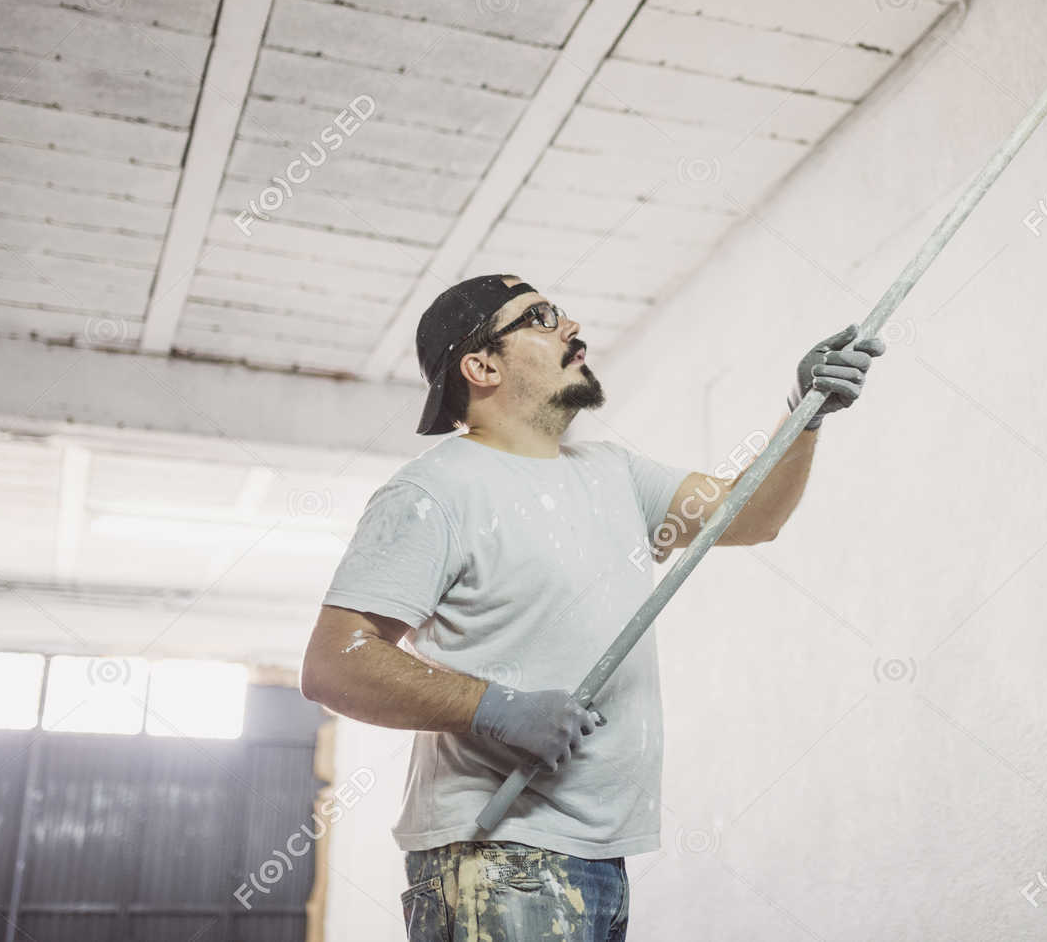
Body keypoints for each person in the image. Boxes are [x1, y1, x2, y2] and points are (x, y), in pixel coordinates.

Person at [299, 274, 884, 941]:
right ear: (481, 364)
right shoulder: (434, 492)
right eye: (540, 317)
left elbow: (752, 514)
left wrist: (804, 410)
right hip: (497, 854)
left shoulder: (612, 474)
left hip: (598, 858)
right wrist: (499, 710)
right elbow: (334, 665)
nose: (571, 326)